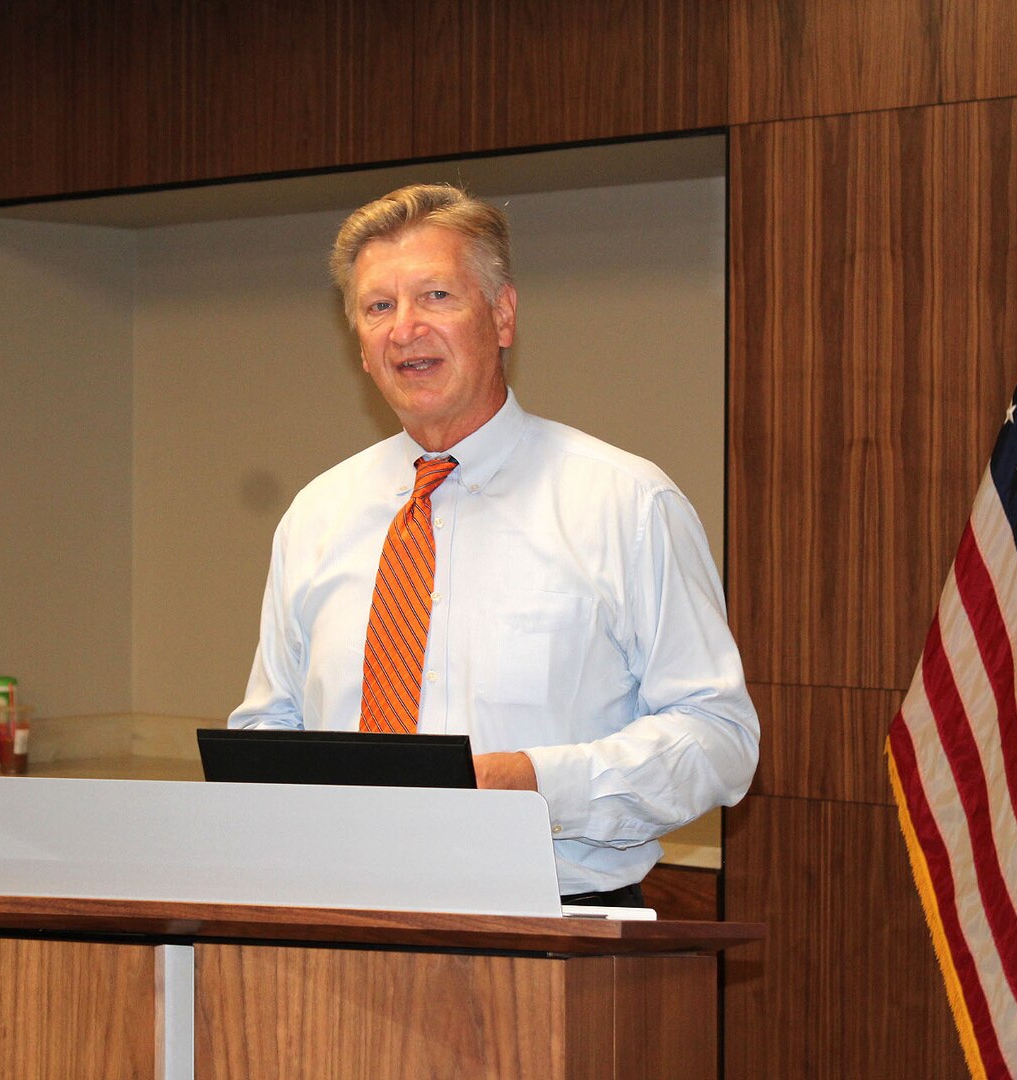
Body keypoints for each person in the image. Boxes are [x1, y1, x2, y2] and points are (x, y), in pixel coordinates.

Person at [229, 183, 759, 904]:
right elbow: (271, 727)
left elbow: (719, 740)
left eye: (436, 296)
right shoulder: (317, 515)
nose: (405, 329)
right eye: (378, 306)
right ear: (358, 342)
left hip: (551, 928)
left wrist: (536, 783)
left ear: (502, 315)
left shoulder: (625, 503)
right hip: (343, 924)